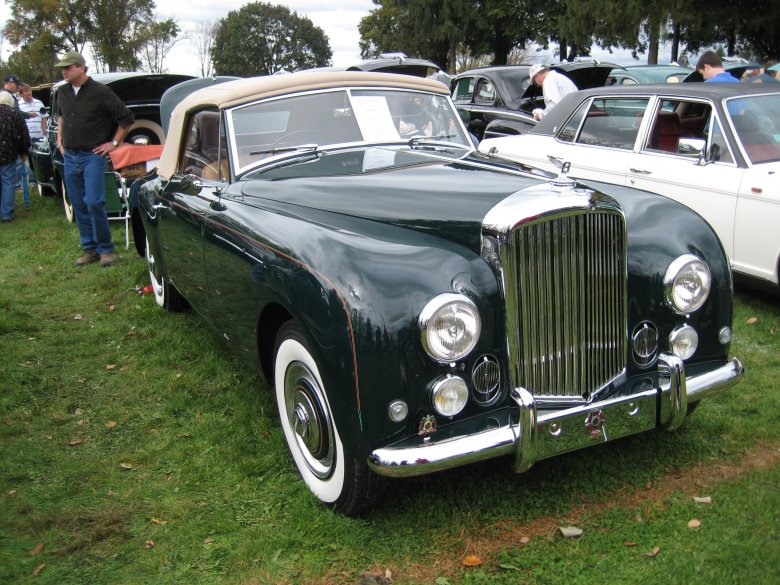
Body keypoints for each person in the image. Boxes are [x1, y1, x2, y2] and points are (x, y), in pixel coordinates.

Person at [54, 50, 134, 267]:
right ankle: (90, 249)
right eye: (62, 68)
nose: (64, 71)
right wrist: (60, 139)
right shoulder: (62, 92)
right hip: (70, 156)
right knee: (78, 203)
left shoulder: (102, 92)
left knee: (94, 202)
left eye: (68, 67)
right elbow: (61, 116)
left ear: (81, 67)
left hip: (92, 156)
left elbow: (127, 119)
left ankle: (106, 249)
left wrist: (114, 143)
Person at [0, 90, 31, 222]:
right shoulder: (15, 115)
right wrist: (24, 152)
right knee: (8, 181)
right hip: (8, 153)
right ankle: (6, 213)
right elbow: (24, 135)